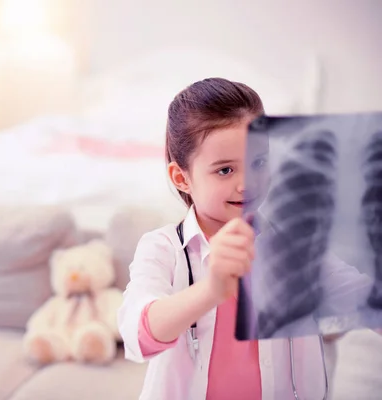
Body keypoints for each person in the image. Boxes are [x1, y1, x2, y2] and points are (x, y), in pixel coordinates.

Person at [116, 78, 377, 400]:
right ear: (181, 178)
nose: (247, 184)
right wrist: (211, 290)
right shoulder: (163, 248)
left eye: (260, 162)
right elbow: (140, 334)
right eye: (225, 170)